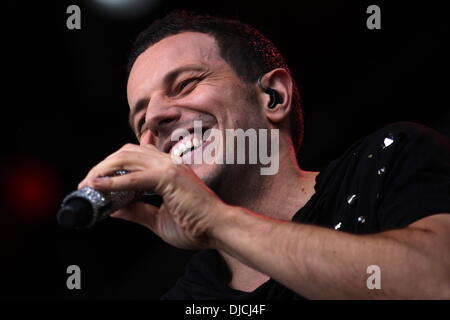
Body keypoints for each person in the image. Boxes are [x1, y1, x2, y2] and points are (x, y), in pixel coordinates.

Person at [78, 11, 450, 299]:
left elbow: (437, 281)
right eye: (141, 119)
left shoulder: (387, 162)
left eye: (186, 84)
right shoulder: (191, 297)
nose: (156, 118)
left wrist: (215, 220)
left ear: (274, 96)